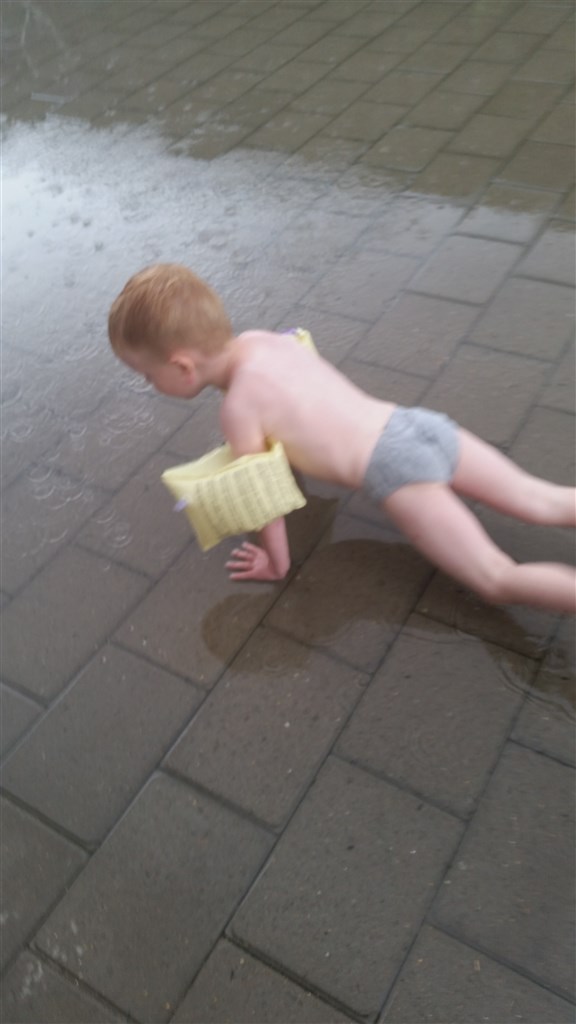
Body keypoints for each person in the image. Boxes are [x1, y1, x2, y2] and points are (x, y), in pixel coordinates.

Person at [108, 263, 576, 613]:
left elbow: (262, 496)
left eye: (148, 375)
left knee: (497, 577)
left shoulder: (238, 410)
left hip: (394, 468)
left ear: (183, 366)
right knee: (541, 499)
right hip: (417, 424)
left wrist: (276, 562)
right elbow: (303, 403)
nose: (150, 385)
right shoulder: (263, 339)